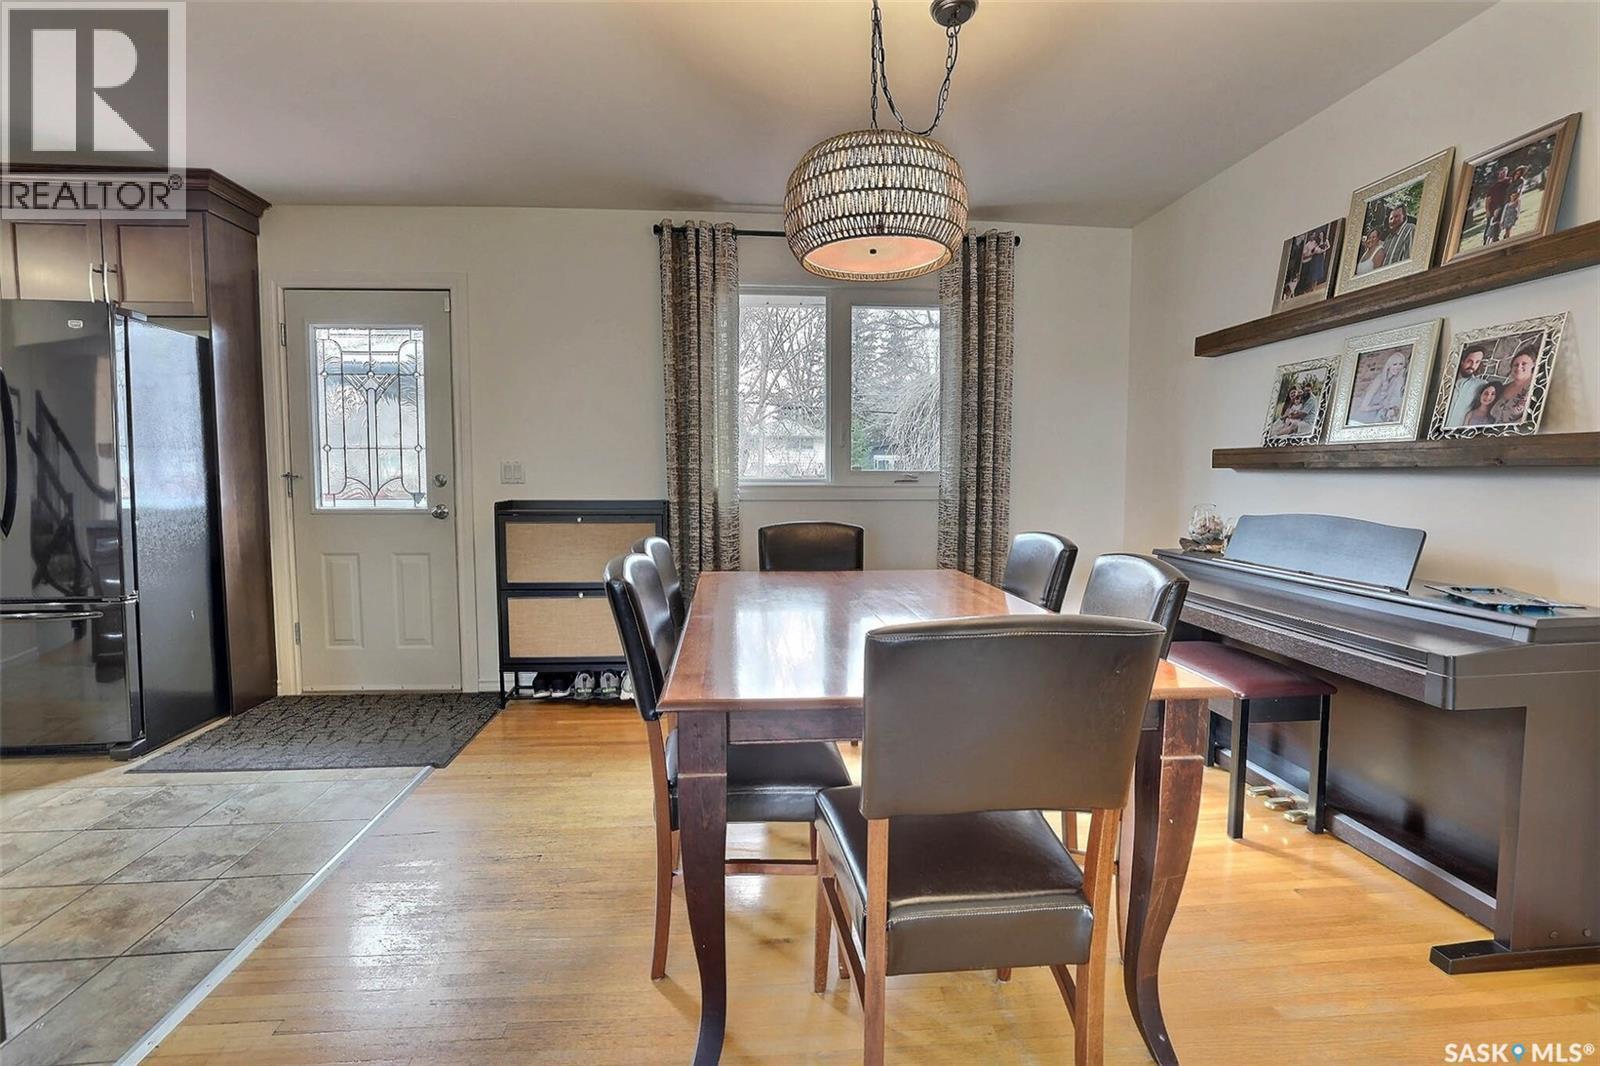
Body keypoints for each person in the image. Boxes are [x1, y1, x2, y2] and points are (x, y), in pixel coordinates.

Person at [1352, 350, 1409, 424]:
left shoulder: (1395, 380)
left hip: (1377, 418)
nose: (1398, 367)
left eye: (1401, 364)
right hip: (1364, 418)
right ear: (1389, 365)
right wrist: (1381, 406)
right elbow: (1363, 407)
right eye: (1395, 364)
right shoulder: (1379, 380)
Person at [1446, 346, 1491, 427]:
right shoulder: (1446, 381)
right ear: (1462, 361)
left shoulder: (1482, 385)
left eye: (1477, 362)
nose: (1473, 366)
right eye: (1470, 361)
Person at [1489, 348, 1538, 424]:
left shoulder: (1536, 387)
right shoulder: (1503, 388)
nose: (1519, 367)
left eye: (1524, 364)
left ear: (1533, 365)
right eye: (1515, 365)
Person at [1375, 203, 1414, 269]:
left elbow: (1409, 261)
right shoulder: (1388, 238)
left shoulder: (1410, 229)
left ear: (1404, 217)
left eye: (1396, 217)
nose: (1393, 221)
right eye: (1391, 218)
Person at [1481, 165, 1513, 244]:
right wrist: (1487, 210)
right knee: (1489, 225)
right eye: (1501, 172)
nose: (1502, 174)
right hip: (1492, 208)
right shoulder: (1493, 187)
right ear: (1498, 173)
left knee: (1500, 224)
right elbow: (1488, 200)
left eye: (1504, 172)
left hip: (1503, 207)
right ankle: (1485, 242)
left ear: (1506, 173)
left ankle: (1497, 239)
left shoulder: (1509, 181)